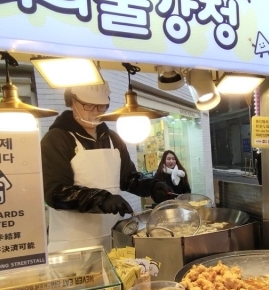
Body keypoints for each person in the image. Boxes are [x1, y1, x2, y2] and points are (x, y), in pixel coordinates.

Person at [41, 83, 173, 252]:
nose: (96, 111)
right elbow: (55, 192)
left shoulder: (112, 139)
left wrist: (150, 186)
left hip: (113, 239)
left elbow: (128, 178)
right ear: (71, 102)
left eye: (102, 106)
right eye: (89, 105)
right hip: (72, 245)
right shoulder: (56, 139)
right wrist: (101, 199)